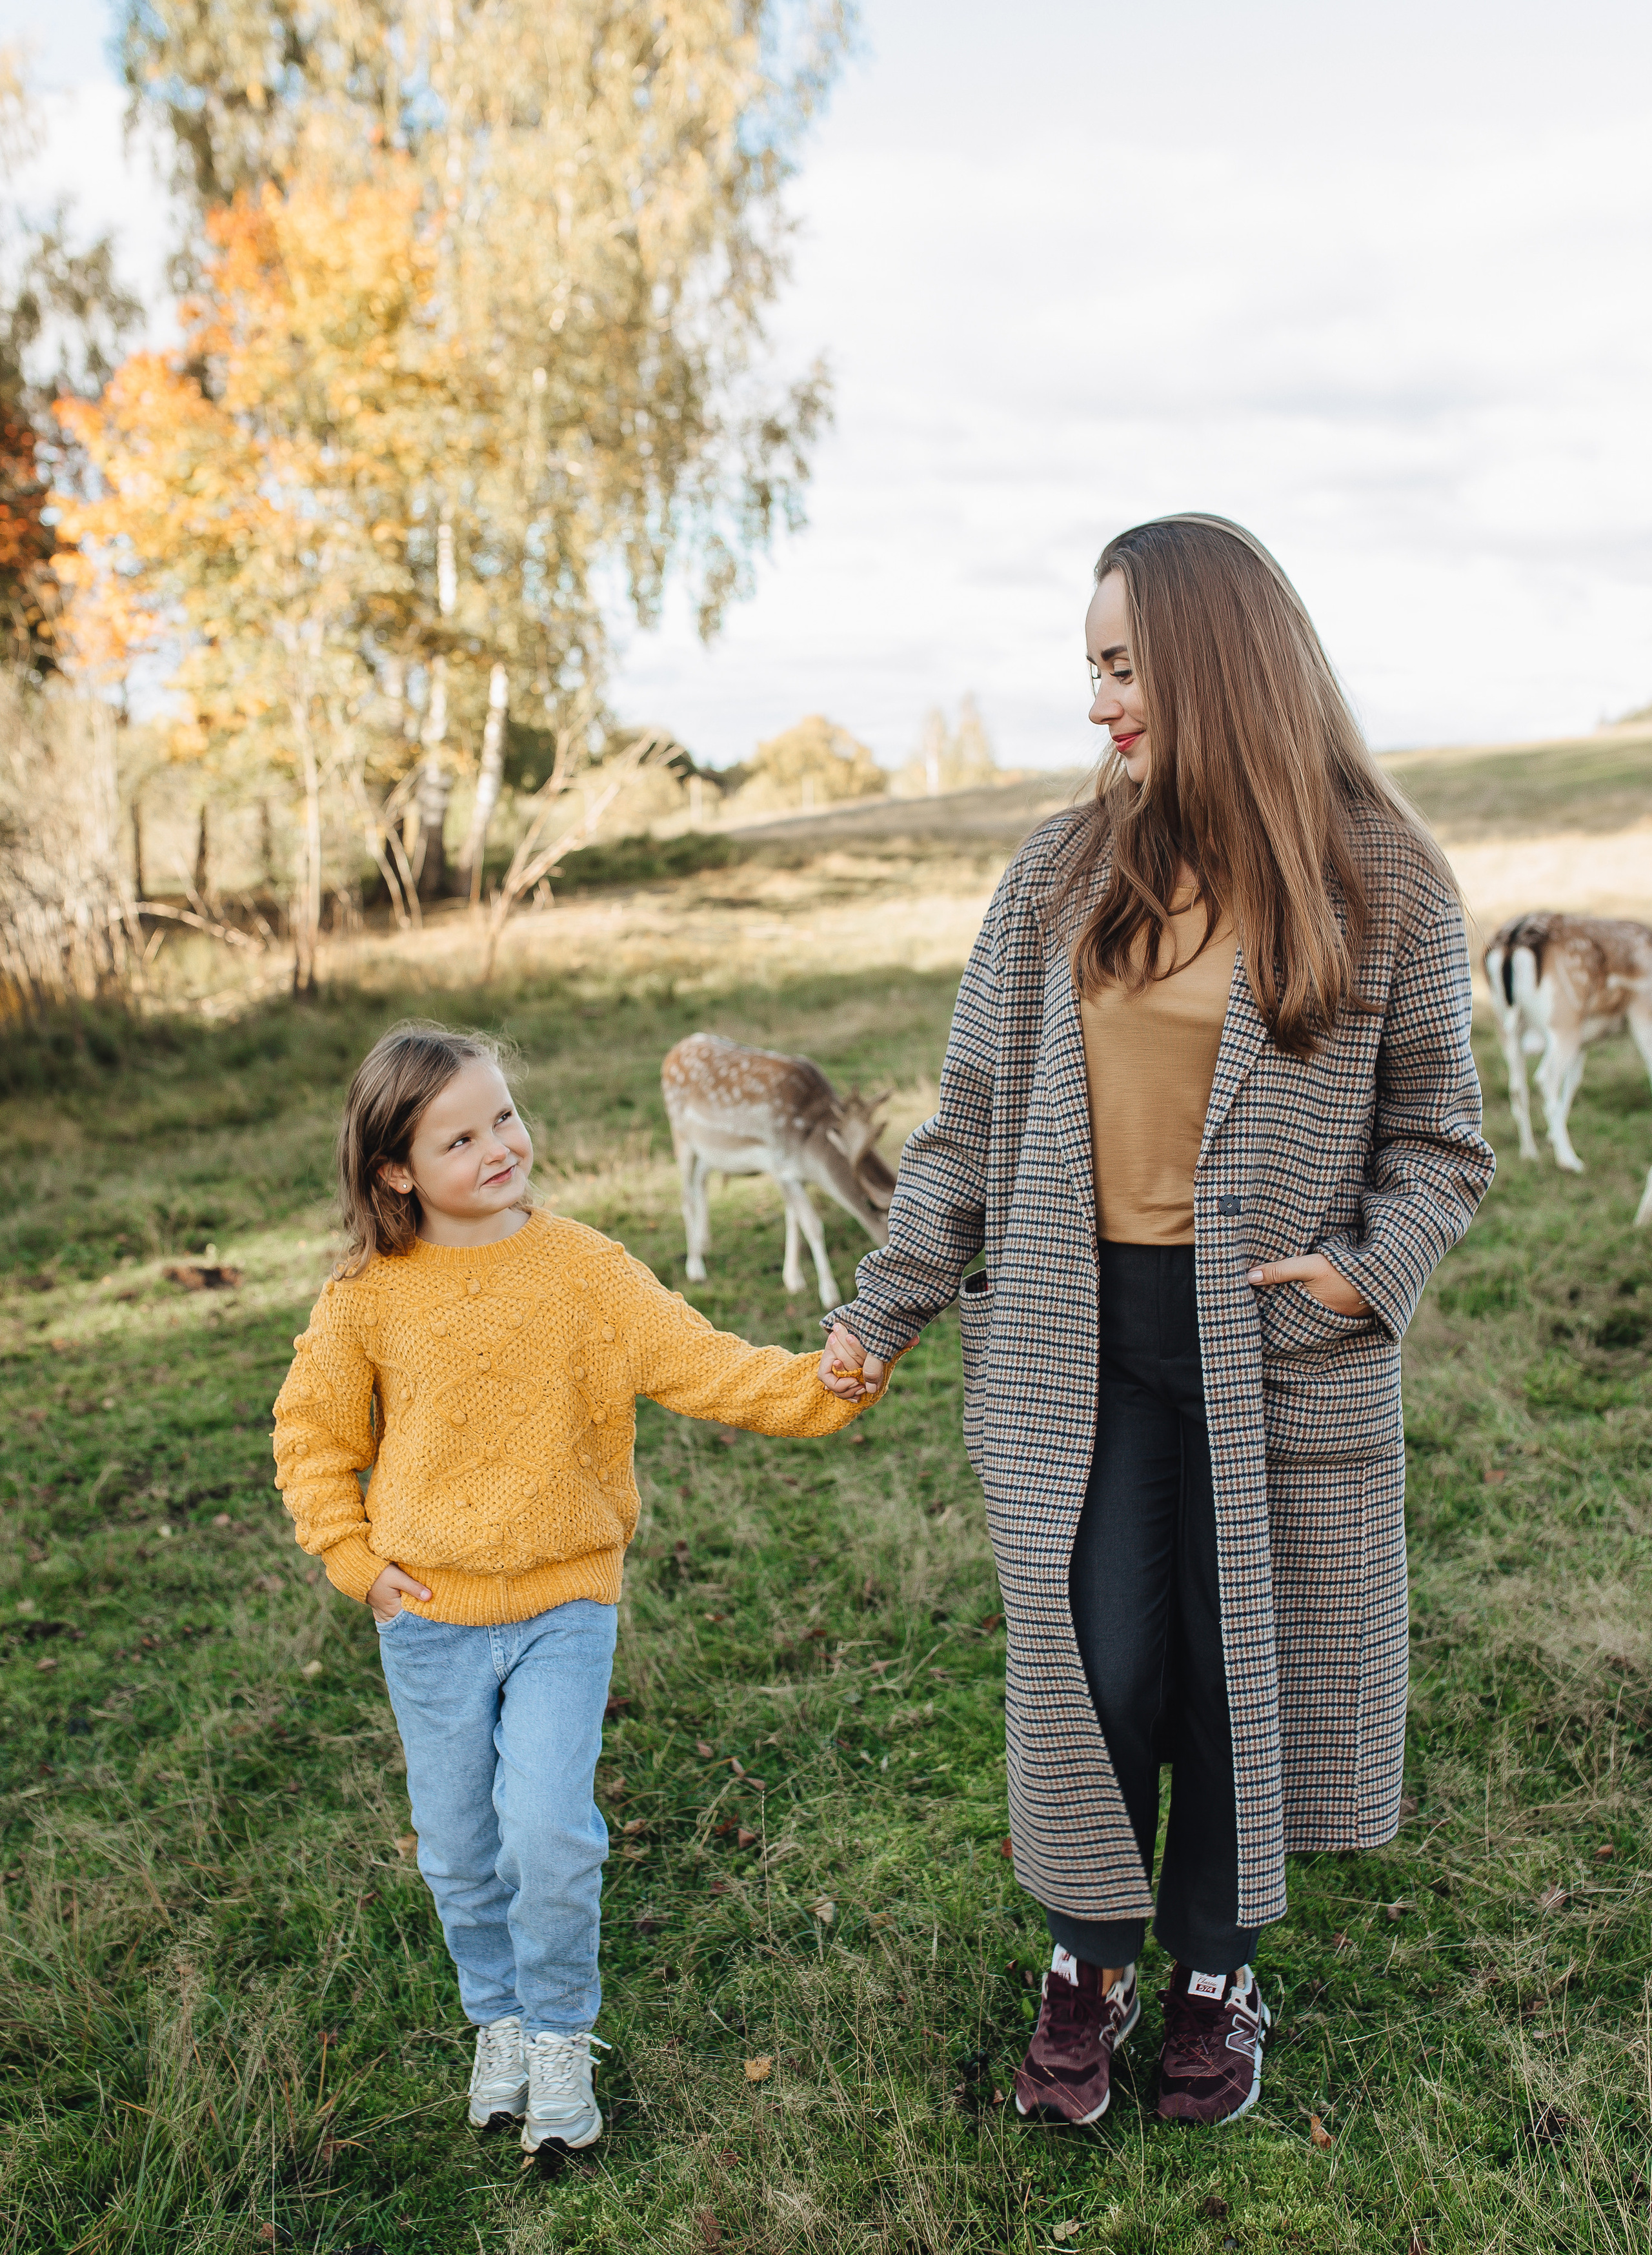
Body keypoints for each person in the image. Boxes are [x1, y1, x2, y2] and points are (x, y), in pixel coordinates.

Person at [818, 515, 1493, 2129]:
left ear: (1208, 659)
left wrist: (1359, 1272)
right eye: (1091, 669)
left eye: (1120, 667)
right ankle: (1085, 1958)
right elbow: (973, 1113)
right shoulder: (1059, 868)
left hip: (1270, 1346)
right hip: (1073, 1339)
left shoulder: (1378, 874)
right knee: (1094, 1662)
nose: (1100, 702)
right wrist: (886, 1307)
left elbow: (1440, 1143)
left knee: (1230, 1669)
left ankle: (1212, 1971)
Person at [273, 1020, 883, 2158]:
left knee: (547, 1831)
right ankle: (495, 2019)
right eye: (460, 1137)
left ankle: (558, 2034)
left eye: (504, 1115)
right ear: (396, 1169)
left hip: (564, 1608)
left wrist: (825, 1385)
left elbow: (707, 1365)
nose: (499, 1145)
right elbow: (311, 1436)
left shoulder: (585, 1270)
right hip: (429, 1620)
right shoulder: (368, 1296)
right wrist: (355, 1561)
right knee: (457, 1844)